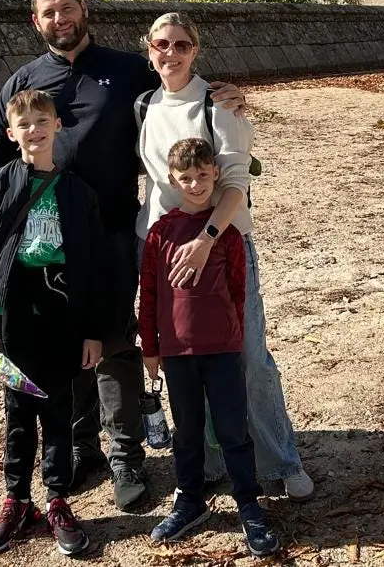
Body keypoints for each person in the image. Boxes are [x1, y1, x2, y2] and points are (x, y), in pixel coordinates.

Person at [0, 0, 244, 511]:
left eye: (67, 9)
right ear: (36, 22)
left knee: (113, 343)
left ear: (83, 10)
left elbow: (178, 85)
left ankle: (125, 456)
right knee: (59, 348)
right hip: (44, 246)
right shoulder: (23, 83)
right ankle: (79, 448)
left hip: (114, 234)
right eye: (48, 13)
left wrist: (225, 95)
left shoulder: (126, 69)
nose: (60, 20)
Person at [135, 12, 315, 503]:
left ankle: (280, 458)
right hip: (168, 246)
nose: (170, 53)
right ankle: (214, 460)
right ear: (148, 49)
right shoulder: (144, 104)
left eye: (181, 45)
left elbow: (236, 183)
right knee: (192, 361)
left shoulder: (218, 105)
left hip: (219, 245)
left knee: (249, 356)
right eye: (161, 44)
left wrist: (207, 239)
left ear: (196, 50)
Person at [0, 90, 106, 556]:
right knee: (18, 411)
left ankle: (58, 497)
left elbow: (96, 265)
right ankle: (17, 498)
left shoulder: (78, 192)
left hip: (63, 314)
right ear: (10, 133)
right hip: (12, 318)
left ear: (57, 125)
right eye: (24, 125)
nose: (34, 131)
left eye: (43, 122)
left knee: (59, 410)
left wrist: (94, 330)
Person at [140, 138, 280, 557]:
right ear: (172, 180)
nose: (196, 184)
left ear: (215, 174)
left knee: (233, 429)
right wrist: (151, 347)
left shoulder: (228, 233)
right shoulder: (160, 233)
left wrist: (233, 337)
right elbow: (148, 295)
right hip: (178, 353)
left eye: (203, 175)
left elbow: (239, 289)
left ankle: (249, 503)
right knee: (187, 432)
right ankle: (190, 500)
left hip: (221, 349)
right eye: (186, 178)